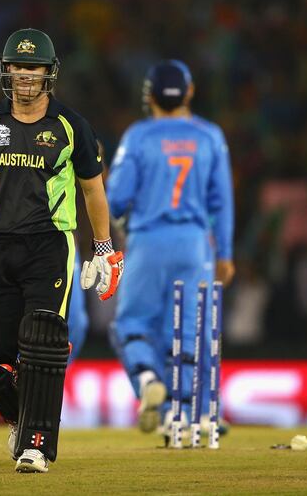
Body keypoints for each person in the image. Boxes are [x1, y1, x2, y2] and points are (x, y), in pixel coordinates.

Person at [0, 29, 123, 473]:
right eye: (18, 66)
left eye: (33, 67)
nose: (25, 75)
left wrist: (104, 248)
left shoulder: (72, 126)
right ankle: (21, 414)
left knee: (42, 342)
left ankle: (36, 444)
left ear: (49, 73)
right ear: (6, 70)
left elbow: (93, 191)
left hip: (49, 246)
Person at [105, 60, 234, 439]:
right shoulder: (210, 136)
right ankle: (200, 413)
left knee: (132, 325)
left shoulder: (139, 137)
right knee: (193, 331)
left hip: (147, 242)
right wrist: (224, 253)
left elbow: (115, 200)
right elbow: (222, 202)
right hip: (195, 245)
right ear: (190, 92)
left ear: (150, 96)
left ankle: (148, 382)